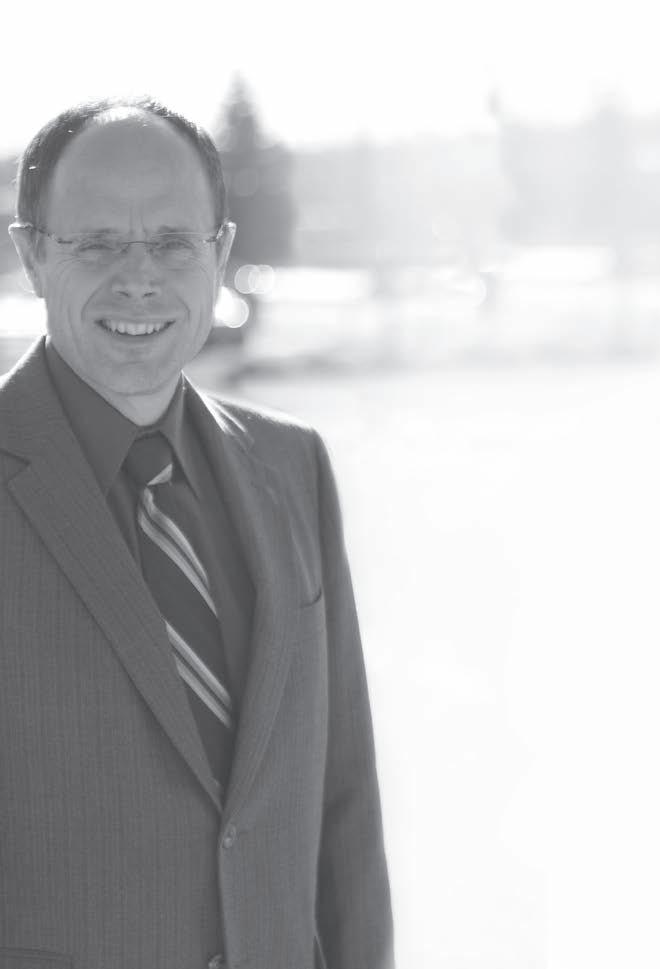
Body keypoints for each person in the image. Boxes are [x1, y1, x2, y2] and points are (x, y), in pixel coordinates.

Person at [0, 97, 393, 969]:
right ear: (31, 255)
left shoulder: (292, 466)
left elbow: (343, 802)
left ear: (219, 254)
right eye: (97, 243)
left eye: (174, 242)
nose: (139, 278)